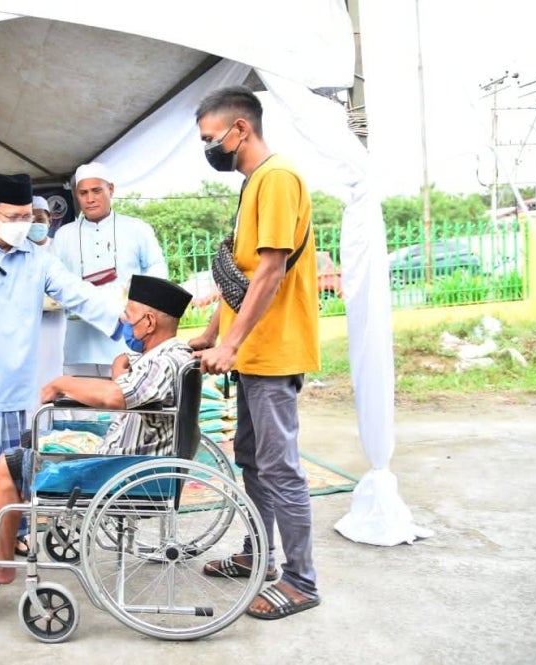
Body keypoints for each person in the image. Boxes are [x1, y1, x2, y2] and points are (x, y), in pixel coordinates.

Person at [0, 274, 194, 583]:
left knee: (7, 465)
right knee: (29, 441)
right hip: (129, 457)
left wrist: (64, 383)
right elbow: (126, 383)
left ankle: (0, 564)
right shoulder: (168, 355)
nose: (124, 324)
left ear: (150, 322)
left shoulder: (161, 363)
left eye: (128, 317)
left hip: (121, 470)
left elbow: (116, 396)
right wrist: (116, 373)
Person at [0, 172, 123, 559]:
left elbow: (78, 294)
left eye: (28, 217)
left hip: (16, 383)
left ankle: (10, 531)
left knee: (16, 466)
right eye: (14, 217)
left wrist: (125, 322)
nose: (24, 225)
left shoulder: (39, 260)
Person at [189, 86, 321, 620]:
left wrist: (232, 342)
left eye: (209, 138)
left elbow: (270, 270)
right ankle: (259, 556)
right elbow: (241, 275)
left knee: (279, 467)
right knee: (252, 459)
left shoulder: (278, 179)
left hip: (273, 352)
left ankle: (301, 580)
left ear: (239, 129)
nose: (208, 147)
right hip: (251, 354)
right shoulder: (253, 187)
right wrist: (211, 331)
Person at [52, 162, 168, 378]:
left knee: (124, 405)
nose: (90, 199)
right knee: (81, 406)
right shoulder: (63, 235)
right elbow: (55, 280)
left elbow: (157, 266)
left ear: (111, 190)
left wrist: (141, 291)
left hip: (126, 334)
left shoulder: (136, 228)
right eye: (83, 193)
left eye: (97, 190)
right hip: (79, 339)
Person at [27, 196, 65, 427]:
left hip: (55, 323)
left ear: (49, 220)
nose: (35, 224)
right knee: (30, 375)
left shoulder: (60, 249)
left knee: (52, 368)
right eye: (29, 219)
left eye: (39, 218)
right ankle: (32, 427)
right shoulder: (17, 250)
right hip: (26, 325)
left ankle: (53, 425)